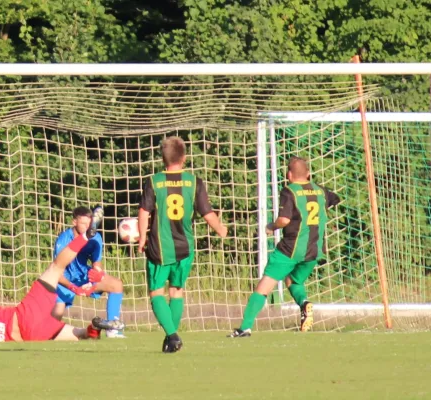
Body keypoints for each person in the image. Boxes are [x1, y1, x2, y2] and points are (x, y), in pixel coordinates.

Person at [0, 229, 122, 342]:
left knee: (79, 334)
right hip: (24, 314)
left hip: (30, 336)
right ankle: (85, 236)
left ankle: (93, 329)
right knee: (56, 267)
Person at [229, 156, 340, 337]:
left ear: (289, 175)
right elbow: (335, 199)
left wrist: (271, 227)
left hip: (290, 249)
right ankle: (304, 304)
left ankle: (244, 328)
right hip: (314, 250)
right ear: (309, 174)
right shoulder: (320, 190)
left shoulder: (289, 191)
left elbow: (284, 220)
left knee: (263, 288)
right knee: (293, 280)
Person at [138, 136, 227, 353]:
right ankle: (172, 338)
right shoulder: (194, 181)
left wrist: (142, 238)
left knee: (156, 293)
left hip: (160, 248)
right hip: (185, 247)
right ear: (185, 158)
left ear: (162, 158)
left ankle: (172, 334)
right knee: (176, 291)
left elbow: (144, 211)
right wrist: (221, 229)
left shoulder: (154, 181)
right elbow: (207, 212)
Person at [52, 206, 125, 338]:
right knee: (55, 318)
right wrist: (74, 288)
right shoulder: (63, 240)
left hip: (84, 277)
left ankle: (112, 329)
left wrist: (98, 275)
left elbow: (96, 263)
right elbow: (56, 272)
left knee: (116, 285)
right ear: (74, 222)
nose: (87, 227)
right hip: (64, 280)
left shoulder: (95, 237)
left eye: (89, 223)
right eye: (83, 223)